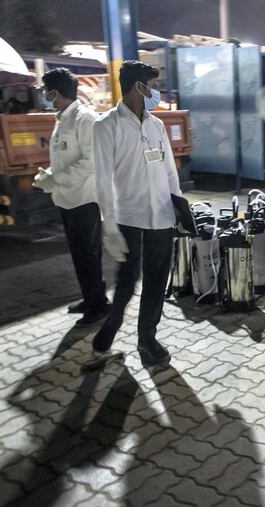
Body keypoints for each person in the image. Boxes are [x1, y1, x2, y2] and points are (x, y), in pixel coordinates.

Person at [92, 60, 182, 365]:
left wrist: (179, 207)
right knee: (127, 280)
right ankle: (113, 322)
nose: (156, 92)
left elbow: (170, 171)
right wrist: (110, 226)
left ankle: (147, 338)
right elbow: (102, 179)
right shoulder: (106, 126)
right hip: (128, 217)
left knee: (157, 279)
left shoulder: (156, 125)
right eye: (153, 87)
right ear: (137, 87)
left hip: (161, 216)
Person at [35, 68, 110, 326]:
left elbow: (91, 162)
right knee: (80, 255)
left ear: (55, 92)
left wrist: (56, 178)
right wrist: (50, 175)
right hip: (67, 199)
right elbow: (67, 158)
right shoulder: (62, 119)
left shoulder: (85, 119)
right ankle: (90, 299)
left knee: (89, 255)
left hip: (84, 200)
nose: (45, 96)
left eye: (47, 92)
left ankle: (99, 306)